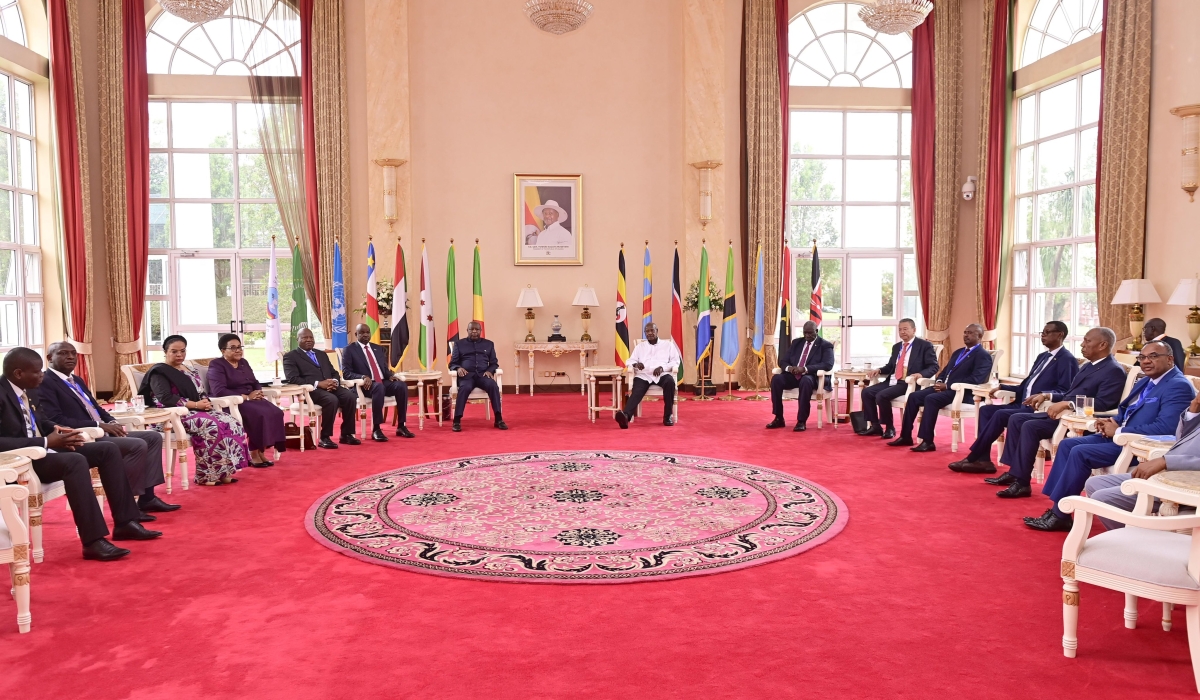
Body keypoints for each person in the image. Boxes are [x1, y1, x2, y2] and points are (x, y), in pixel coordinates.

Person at [0, 347, 159, 561]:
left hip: (41, 450)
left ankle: (125, 522)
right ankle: (93, 541)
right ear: (18, 373)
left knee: (107, 449)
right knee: (74, 461)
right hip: (20, 461)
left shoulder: (29, 389)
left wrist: (59, 431)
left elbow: (41, 421)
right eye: (37, 372)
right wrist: (45, 441)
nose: (41, 375)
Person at [1024, 341, 1196, 532]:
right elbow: (1127, 411)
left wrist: (1120, 431)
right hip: (1119, 436)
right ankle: (1059, 508)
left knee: (1080, 452)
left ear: (1170, 359)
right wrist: (1110, 421)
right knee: (1067, 445)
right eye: (1142, 357)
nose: (1146, 361)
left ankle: (1059, 514)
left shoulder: (1177, 385)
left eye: (1153, 356)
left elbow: (1167, 428)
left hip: (1137, 445)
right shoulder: (1147, 380)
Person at [32, 341, 178, 516]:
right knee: (137, 445)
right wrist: (98, 425)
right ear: (50, 357)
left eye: (73, 353)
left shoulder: (76, 379)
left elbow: (97, 408)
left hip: (102, 431)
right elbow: (56, 419)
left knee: (153, 437)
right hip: (82, 437)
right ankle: (129, 505)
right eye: (63, 353)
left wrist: (112, 421)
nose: (70, 357)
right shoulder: (46, 382)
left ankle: (147, 498)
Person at [984, 327, 1127, 491]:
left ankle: (1021, 482)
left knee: (1030, 426)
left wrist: (1068, 404)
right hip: (1064, 415)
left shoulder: (1113, 370)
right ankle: (1015, 473)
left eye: (1087, 341)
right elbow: (1069, 394)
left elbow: (1103, 403)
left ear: (1102, 345)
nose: (1082, 345)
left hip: (1080, 422)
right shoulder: (1089, 365)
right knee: (1016, 419)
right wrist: (1047, 395)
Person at [947, 321, 1077, 472]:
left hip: (1038, 408)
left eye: (1047, 332)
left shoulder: (1067, 359)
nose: (1043, 336)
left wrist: (1044, 395)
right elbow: (1025, 386)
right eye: (1042, 332)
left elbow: (1065, 391)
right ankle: (983, 460)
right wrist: (1003, 387)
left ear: (1060, 335)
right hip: (1022, 403)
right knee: (986, 410)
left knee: (1000, 414)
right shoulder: (1042, 357)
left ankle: (974, 457)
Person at [138, 335, 251, 486]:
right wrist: (196, 405)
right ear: (165, 352)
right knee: (211, 425)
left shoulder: (190, 369)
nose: (179, 355)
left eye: (182, 351)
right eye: (174, 351)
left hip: (195, 411)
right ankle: (206, 476)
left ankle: (223, 472)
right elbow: (166, 398)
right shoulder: (159, 372)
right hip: (171, 415)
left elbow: (200, 391)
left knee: (230, 421)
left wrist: (205, 402)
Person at [1083, 391, 1200, 528]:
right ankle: (1130, 534)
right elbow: (1181, 439)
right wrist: (1194, 408)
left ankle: (1131, 539)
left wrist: (1165, 461)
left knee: (1102, 498)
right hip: (1165, 473)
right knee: (1093, 483)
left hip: (1183, 484)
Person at [888, 323, 993, 452]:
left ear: (980, 336)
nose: (966, 335)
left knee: (931, 399)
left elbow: (976, 379)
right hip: (944, 388)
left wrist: (947, 385)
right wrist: (939, 381)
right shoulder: (959, 352)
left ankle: (927, 441)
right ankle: (905, 436)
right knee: (914, 396)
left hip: (962, 392)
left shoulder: (983, 355)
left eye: (970, 333)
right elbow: (945, 371)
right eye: (965, 332)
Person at [208, 333, 288, 467]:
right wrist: (246, 397)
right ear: (223, 350)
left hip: (251, 400)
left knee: (276, 412)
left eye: (239, 347)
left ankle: (261, 450)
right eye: (233, 348)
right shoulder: (217, 365)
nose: (238, 350)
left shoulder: (243, 362)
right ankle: (254, 453)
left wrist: (258, 391)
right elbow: (219, 391)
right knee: (260, 414)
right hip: (231, 402)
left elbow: (255, 382)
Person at [857, 318, 939, 439]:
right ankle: (875, 426)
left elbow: (934, 366)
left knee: (882, 395)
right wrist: (879, 370)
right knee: (867, 392)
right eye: (900, 330)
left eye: (905, 329)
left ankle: (889, 427)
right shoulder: (896, 347)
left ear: (914, 330)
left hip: (908, 382)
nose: (902, 332)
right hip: (893, 380)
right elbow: (891, 366)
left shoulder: (924, 345)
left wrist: (921, 374)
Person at [282, 328, 360, 449]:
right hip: (310, 391)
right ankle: (325, 437)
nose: (309, 340)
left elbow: (334, 372)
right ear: (298, 339)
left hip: (330, 387)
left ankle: (346, 434)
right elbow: (292, 379)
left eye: (311, 337)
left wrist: (334, 381)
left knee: (350, 396)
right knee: (331, 399)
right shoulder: (291, 356)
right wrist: (318, 384)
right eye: (305, 337)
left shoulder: (321, 354)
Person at [341, 323, 414, 441]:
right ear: (356, 334)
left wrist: (390, 376)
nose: (365, 335)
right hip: (364, 386)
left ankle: (401, 426)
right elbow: (346, 373)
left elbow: (383, 369)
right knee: (379, 387)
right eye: (362, 333)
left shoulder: (378, 348)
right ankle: (376, 428)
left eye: (367, 332)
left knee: (401, 386)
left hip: (382, 382)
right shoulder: (349, 350)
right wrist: (363, 377)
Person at [766, 321, 835, 432]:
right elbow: (783, 361)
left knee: (805, 380)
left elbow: (828, 364)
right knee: (776, 379)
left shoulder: (825, 345)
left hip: (812, 377)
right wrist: (790, 368)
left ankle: (801, 421)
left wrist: (805, 369)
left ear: (816, 331)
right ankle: (779, 418)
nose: (807, 335)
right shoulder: (796, 343)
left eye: (810, 333)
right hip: (793, 376)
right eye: (805, 333)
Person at [616, 322, 681, 428]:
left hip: (662, 374)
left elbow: (676, 361)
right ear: (645, 333)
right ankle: (626, 417)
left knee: (670, 382)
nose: (650, 333)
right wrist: (636, 364)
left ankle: (667, 416)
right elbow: (630, 361)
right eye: (647, 331)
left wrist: (662, 368)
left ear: (657, 331)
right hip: (644, 375)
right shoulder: (640, 347)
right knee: (637, 390)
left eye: (652, 330)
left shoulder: (668, 345)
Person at [449, 321, 506, 432]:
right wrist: (458, 368)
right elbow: (452, 363)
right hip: (466, 376)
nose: (474, 331)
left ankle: (498, 419)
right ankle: (457, 420)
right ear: (467, 330)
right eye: (472, 329)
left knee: (493, 386)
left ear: (481, 331)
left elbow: (494, 363)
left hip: (483, 375)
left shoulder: (489, 344)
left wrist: (490, 370)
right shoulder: (459, 344)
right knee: (464, 388)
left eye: (477, 329)